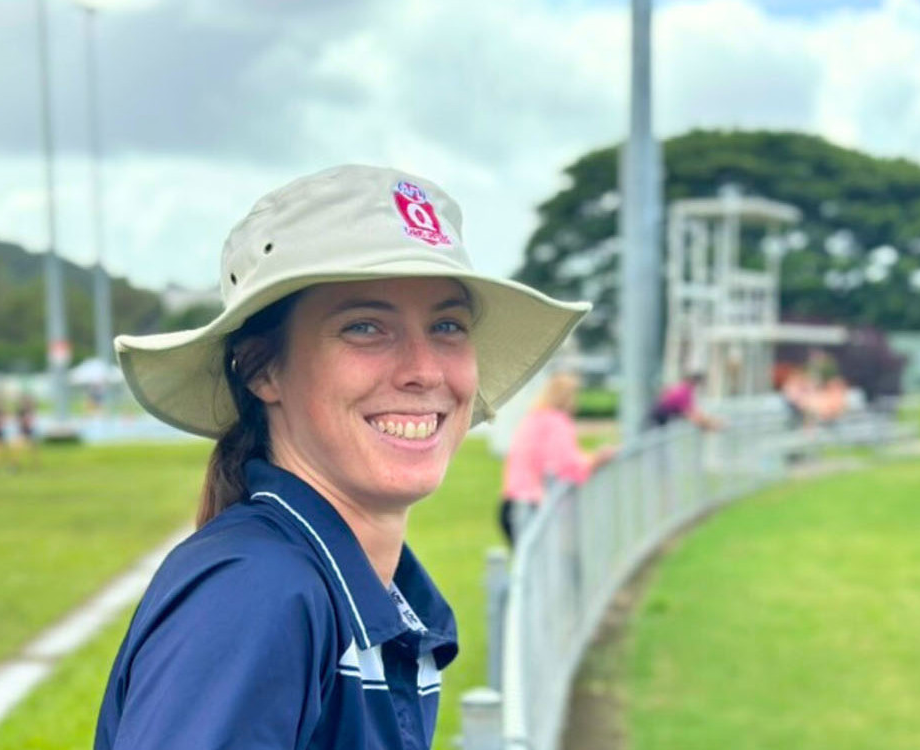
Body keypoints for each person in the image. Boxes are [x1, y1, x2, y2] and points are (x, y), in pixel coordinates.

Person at [94, 165, 589, 750]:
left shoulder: (359, 590)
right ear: (262, 369)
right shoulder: (257, 595)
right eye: (364, 327)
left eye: (448, 325)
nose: (425, 370)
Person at [499, 372, 616, 546]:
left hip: (511, 504)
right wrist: (598, 460)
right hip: (534, 506)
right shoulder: (557, 422)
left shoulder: (532, 418)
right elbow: (567, 465)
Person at [649, 372, 723, 431]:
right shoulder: (684, 391)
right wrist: (710, 424)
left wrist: (709, 422)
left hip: (661, 413)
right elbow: (689, 413)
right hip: (660, 414)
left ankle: (714, 424)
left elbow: (692, 411)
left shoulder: (683, 388)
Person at [12, 392, 39, 468]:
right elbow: (18, 421)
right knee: (17, 449)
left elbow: (32, 422)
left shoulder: (30, 411)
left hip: (30, 433)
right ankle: (15, 464)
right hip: (22, 433)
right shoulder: (20, 412)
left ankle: (35, 464)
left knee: (33, 449)